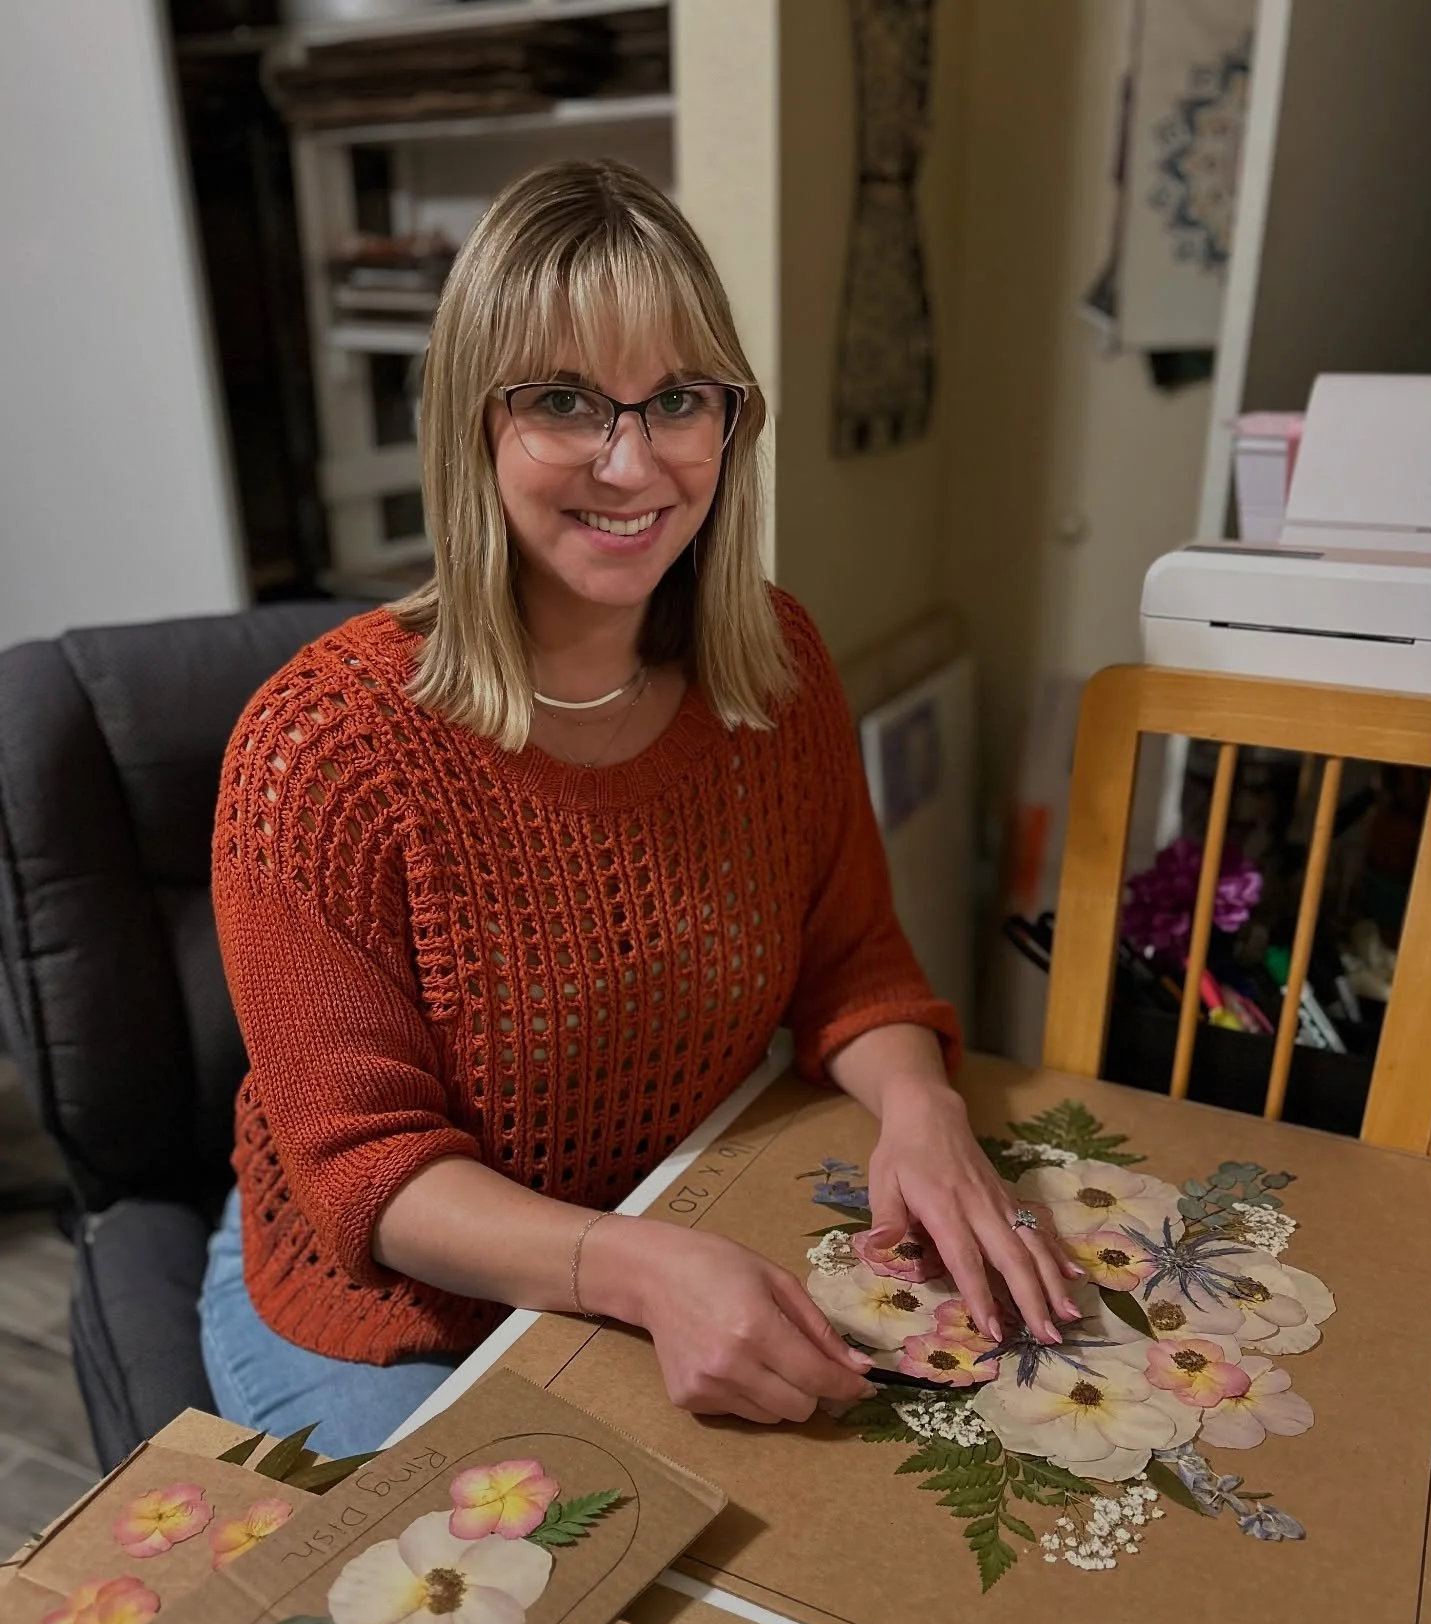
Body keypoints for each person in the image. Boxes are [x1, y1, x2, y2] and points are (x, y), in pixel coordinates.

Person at [200, 160, 1080, 1457]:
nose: (632, 460)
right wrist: (641, 1269)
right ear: (472, 423)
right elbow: (365, 1174)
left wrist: (924, 1112)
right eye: (563, 399)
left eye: (674, 398)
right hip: (396, 1302)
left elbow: (854, 965)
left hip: (683, 1212)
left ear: (729, 421)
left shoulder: (773, 672)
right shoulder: (318, 754)